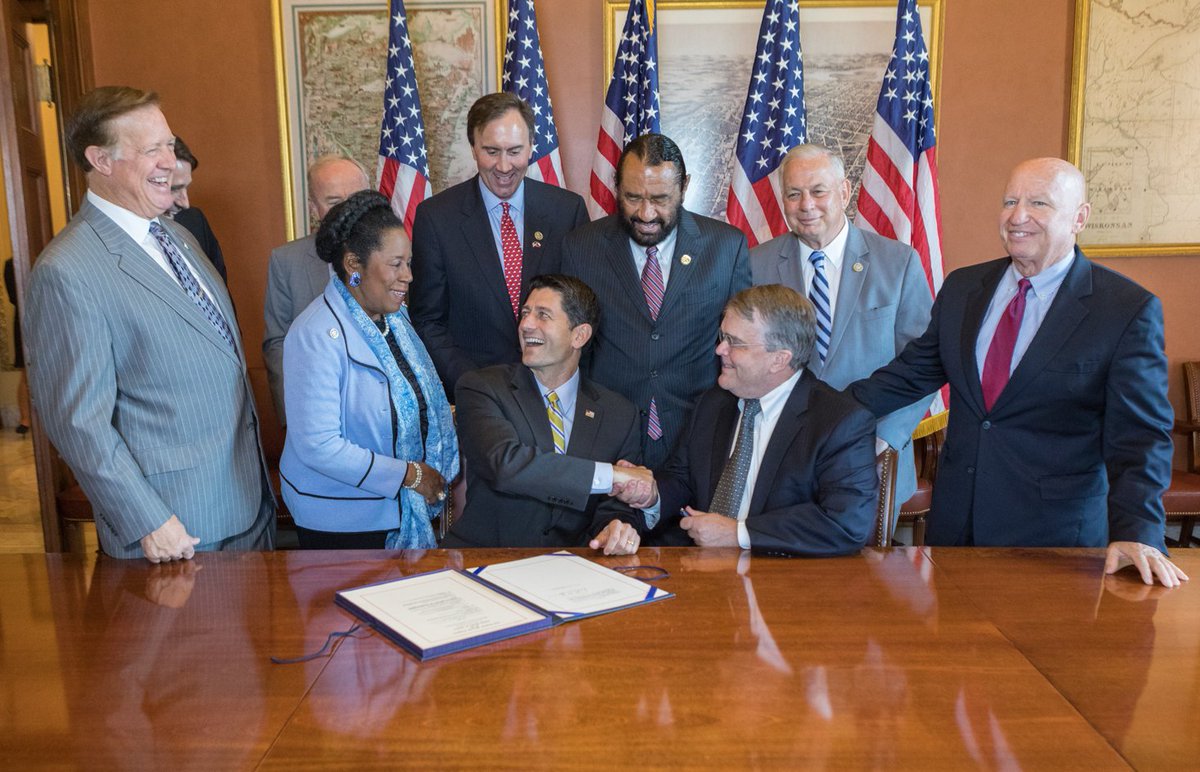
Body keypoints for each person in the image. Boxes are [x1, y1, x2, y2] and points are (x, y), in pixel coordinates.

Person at [850, 157, 1189, 587]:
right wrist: (807, 412)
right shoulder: (963, 288)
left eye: (1039, 203)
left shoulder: (1124, 309)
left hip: (1055, 543)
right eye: (1010, 201)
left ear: (1079, 217)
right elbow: (908, 376)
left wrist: (1138, 533)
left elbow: (1140, 438)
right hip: (956, 531)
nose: (1018, 216)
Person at [24, 86, 275, 561]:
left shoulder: (179, 237)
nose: (170, 161)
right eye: (151, 149)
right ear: (100, 160)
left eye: (170, 144)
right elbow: (79, 422)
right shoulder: (67, 271)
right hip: (175, 532)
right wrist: (148, 520)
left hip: (247, 506)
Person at [615, 284, 877, 553]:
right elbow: (683, 478)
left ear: (779, 359)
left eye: (735, 343)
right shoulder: (714, 403)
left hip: (784, 577)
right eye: (722, 337)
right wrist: (651, 495)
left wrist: (738, 533)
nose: (720, 350)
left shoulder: (840, 422)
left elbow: (845, 523)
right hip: (703, 571)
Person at [750, 144, 933, 523]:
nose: (806, 205)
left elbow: (925, 363)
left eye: (818, 191)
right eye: (793, 193)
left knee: (865, 579)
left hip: (874, 455)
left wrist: (882, 439)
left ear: (845, 192)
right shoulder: (756, 265)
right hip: (780, 460)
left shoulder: (897, 263)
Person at [561, 132, 751, 475]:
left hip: (698, 434)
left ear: (685, 186)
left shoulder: (727, 247)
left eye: (660, 198)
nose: (646, 213)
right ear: (616, 186)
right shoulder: (581, 248)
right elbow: (572, 347)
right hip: (608, 435)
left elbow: (739, 345)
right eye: (633, 197)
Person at [280, 190, 457, 549]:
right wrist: (410, 474)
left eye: (409, 263)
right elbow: (319, 446)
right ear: (353, 264)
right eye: (395, 264)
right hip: (342, 523)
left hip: (396, 510)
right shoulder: (315, 334)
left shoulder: (396, 320)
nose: (408, 276)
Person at [443, 274, 652, 553]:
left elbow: (616, 506)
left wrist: (616, 526)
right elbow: (506, 465)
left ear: (579, 335)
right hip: (485, 561)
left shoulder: (618, 413)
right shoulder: (483, 387)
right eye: (526, 313)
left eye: (543, 315)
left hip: (573, 570)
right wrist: (610, 475)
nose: (527, 324)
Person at [409, 93, 588, 394]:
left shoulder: (566, 212)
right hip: (476, 394)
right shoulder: (437, 218)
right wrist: (476, 385)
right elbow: (428, 321)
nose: (504, 166)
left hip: (555, 392)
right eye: (491, 151)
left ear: (531, 146)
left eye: (514, 151)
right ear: (474, 149)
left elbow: (581, 312)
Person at [263, 155, 371, 424]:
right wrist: (294, 417)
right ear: (314, 208)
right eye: (334, 202)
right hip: (318, 411)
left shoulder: (397, 257)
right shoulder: (286, 261)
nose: (348, 210)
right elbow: (277, 344)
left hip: (381, 411)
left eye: (356, 197)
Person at [167, 136, 227, 283]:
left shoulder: (194, 220)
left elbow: (219, 289)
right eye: (174, 189)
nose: (185, 203)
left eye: (186, 188)